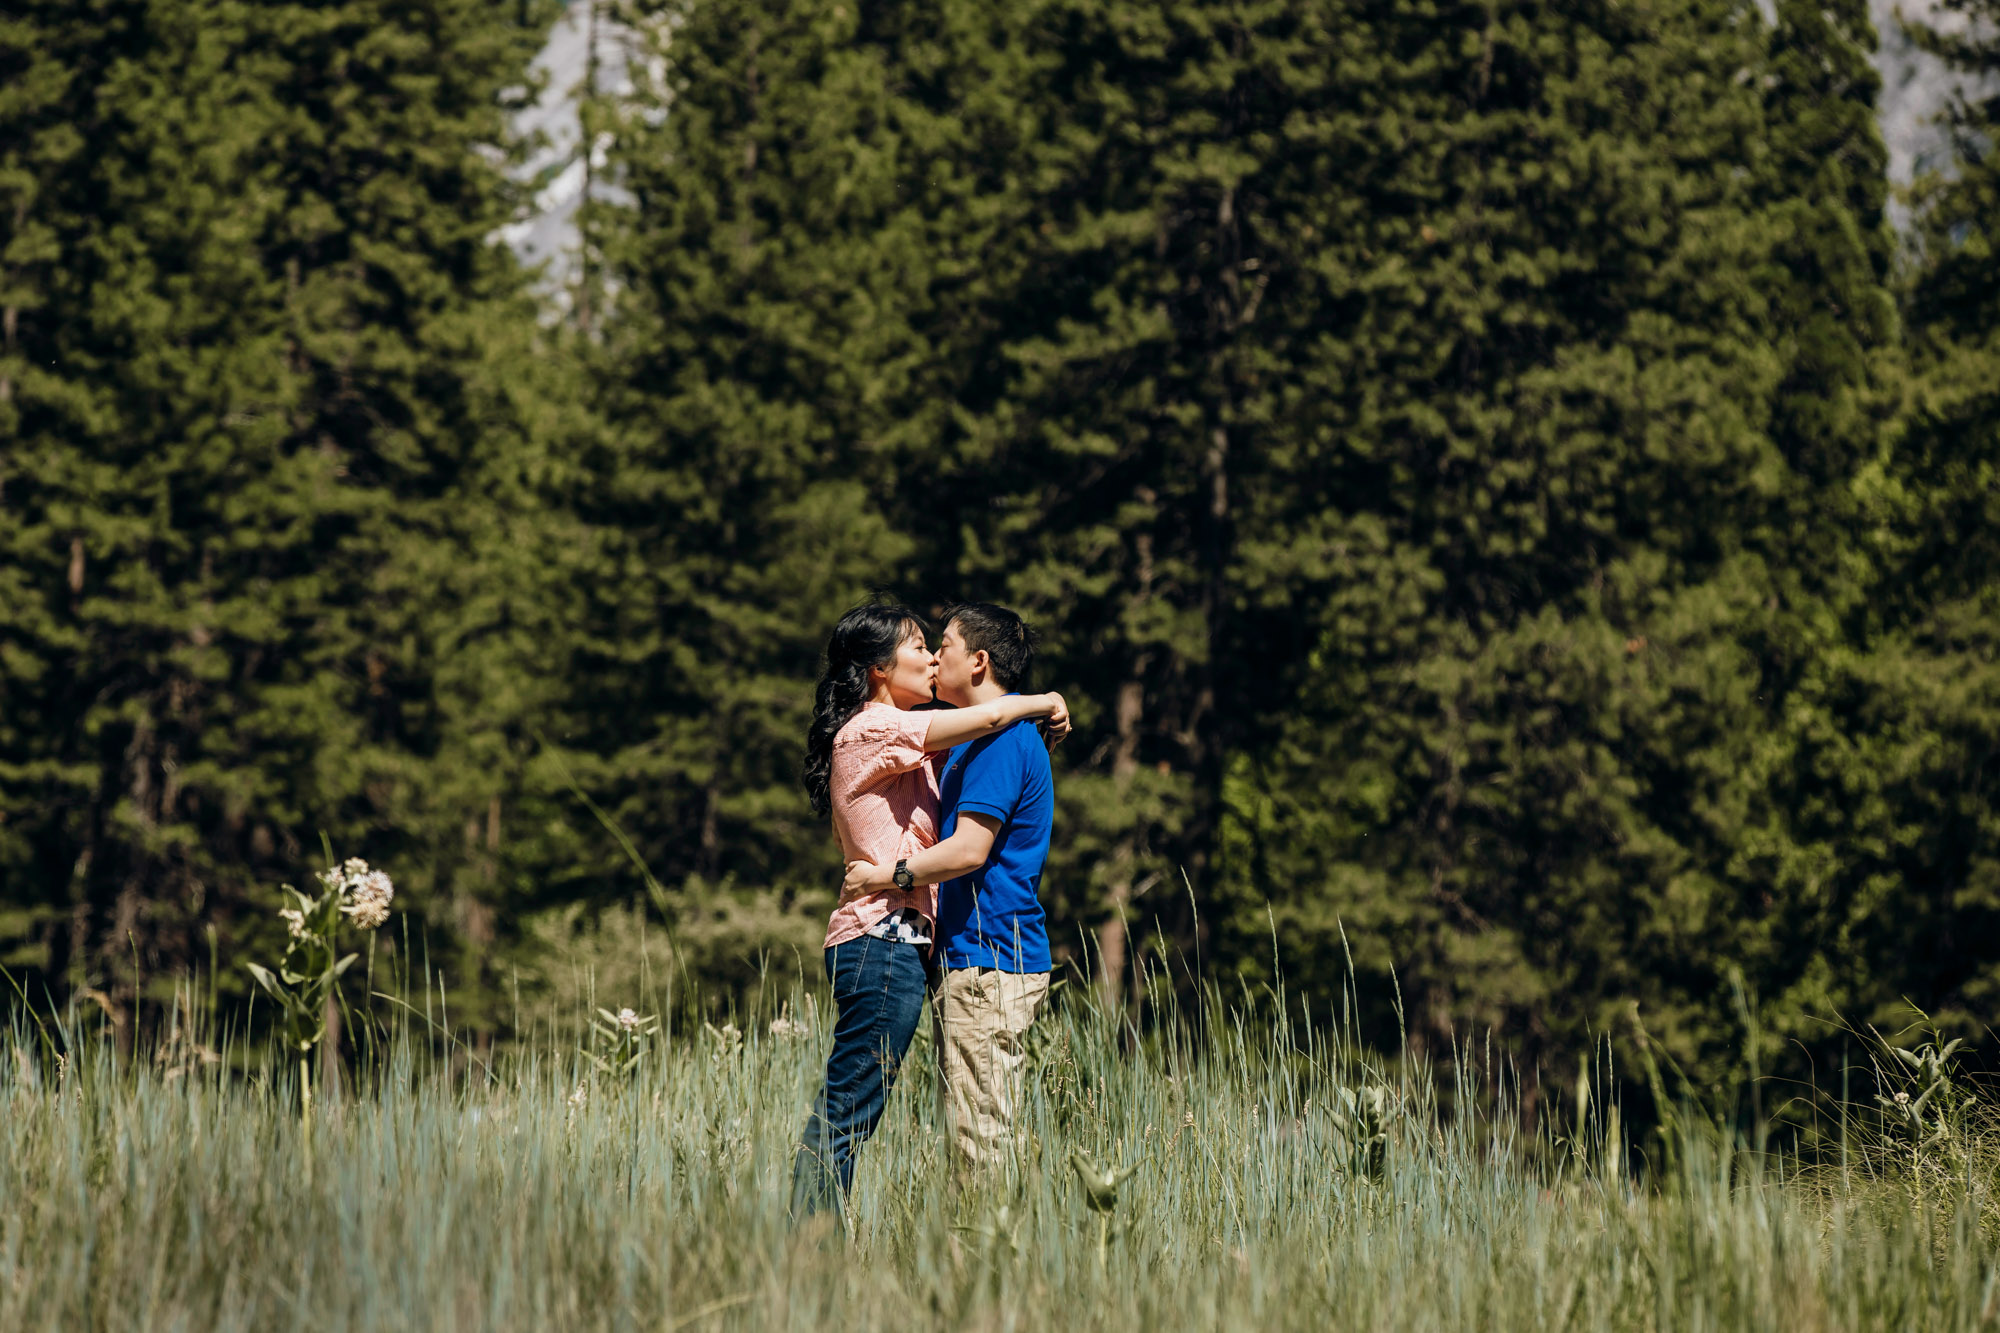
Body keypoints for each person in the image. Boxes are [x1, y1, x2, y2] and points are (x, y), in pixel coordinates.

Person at [790, 603, 1069, 1220]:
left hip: (941, 950)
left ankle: (975, 1268)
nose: (933, 657)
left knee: (958, 1132)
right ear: (878, 671)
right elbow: (993, 714)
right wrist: (1044, 700)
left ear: (979, 660)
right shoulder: (877, 731)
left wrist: (1036, 709)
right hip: (885, 943)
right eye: (920, 647)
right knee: (853, 1112)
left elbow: (971, 844)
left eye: (940, 645)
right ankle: (806, 1249)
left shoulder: (968, 741)